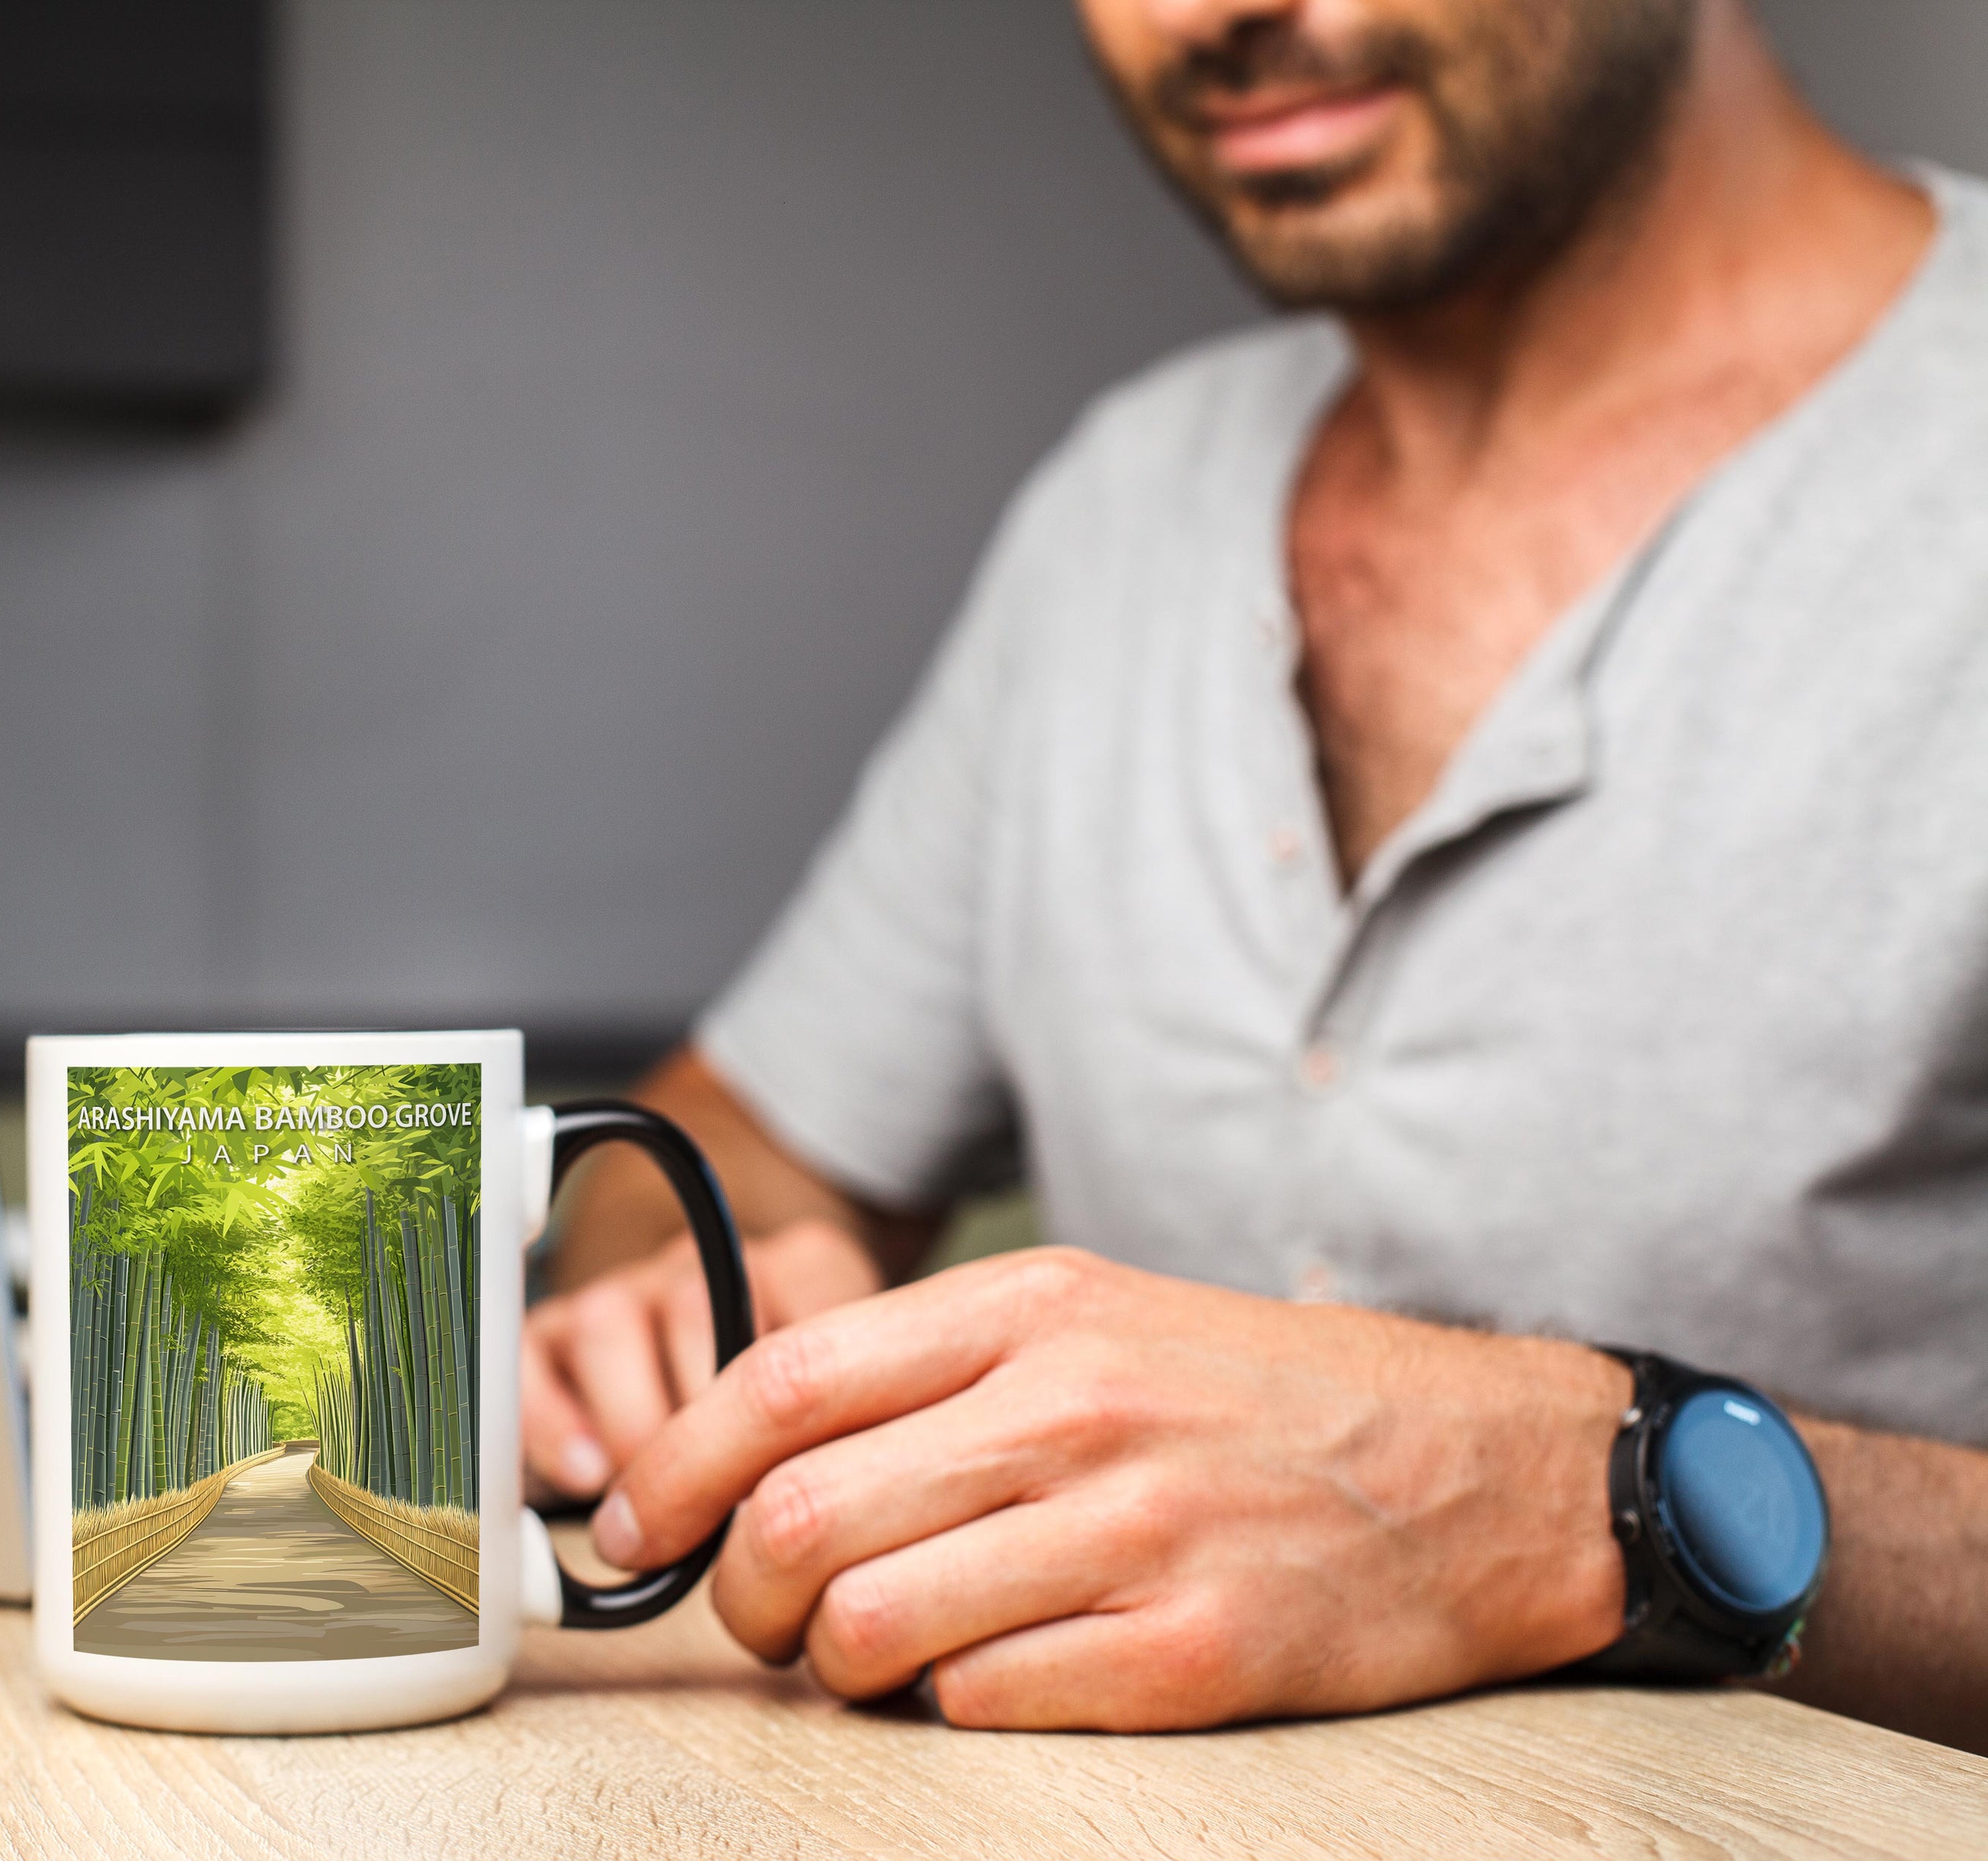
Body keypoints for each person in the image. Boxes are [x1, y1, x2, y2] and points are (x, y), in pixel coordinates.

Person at [521, 0, 1988, 1752]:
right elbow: (739, 1143)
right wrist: (689, 1298)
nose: (1212, 13)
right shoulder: (1122, 509)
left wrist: (1574, 1498)